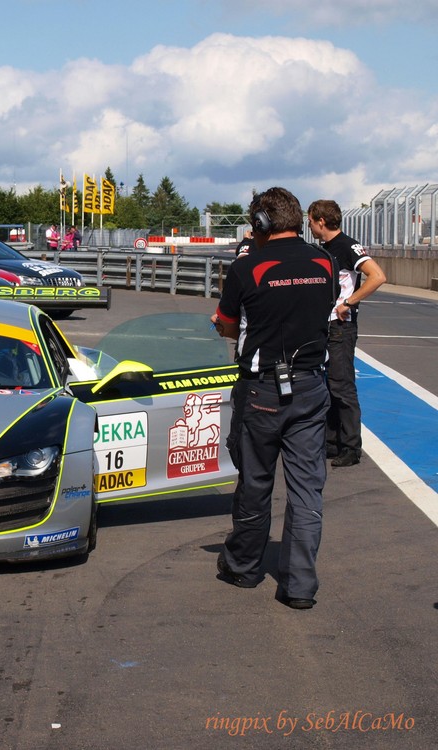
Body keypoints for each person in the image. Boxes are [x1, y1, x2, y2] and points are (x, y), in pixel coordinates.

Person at [211, 187, 337, 610]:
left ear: (262, 224)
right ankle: (300, 586)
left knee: (255, 481)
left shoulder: (247, 268)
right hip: (310, 385)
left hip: (262, 388)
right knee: (306, 491)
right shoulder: (327, 262)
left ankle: (244, 566)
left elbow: (227, 326)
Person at [308, 199, 387, 468]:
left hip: (341, 327)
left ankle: (352, 448)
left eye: (310, 220)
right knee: (329, 385)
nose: (308, 225)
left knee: (342, 387)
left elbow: (377, 276)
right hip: (327, 325)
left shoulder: (346, 245)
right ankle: (332, 443)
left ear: (320, 221)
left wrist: (348, 302)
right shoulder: (326, 248)